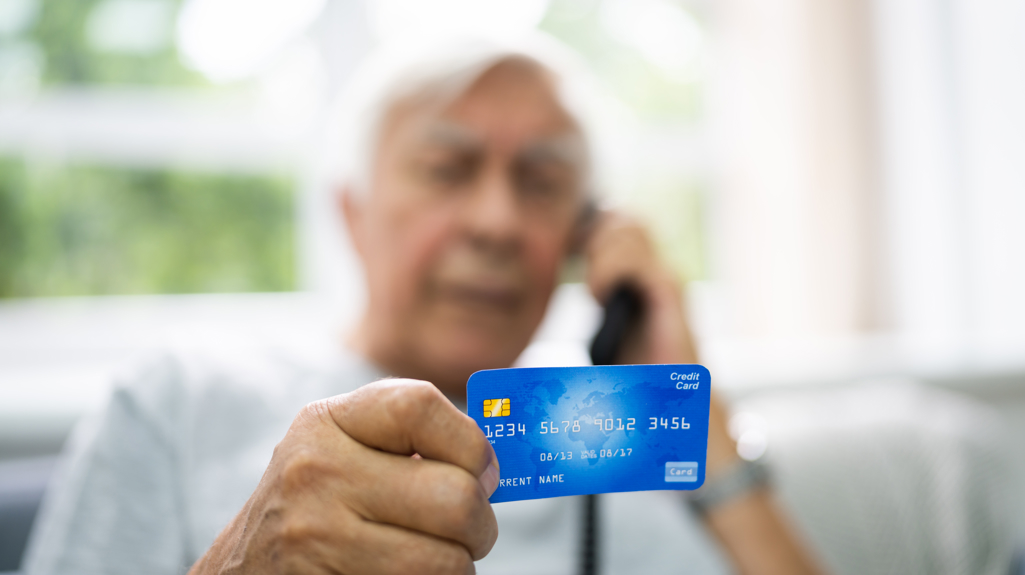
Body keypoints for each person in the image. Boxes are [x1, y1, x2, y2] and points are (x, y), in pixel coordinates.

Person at [25, 36, 823, 575]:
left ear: (584, 239)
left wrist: (691, 409)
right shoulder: (182, 401)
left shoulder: (616, 447)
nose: (498, 222)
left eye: (543, 185)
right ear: (351, 212)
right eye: (447, 167)